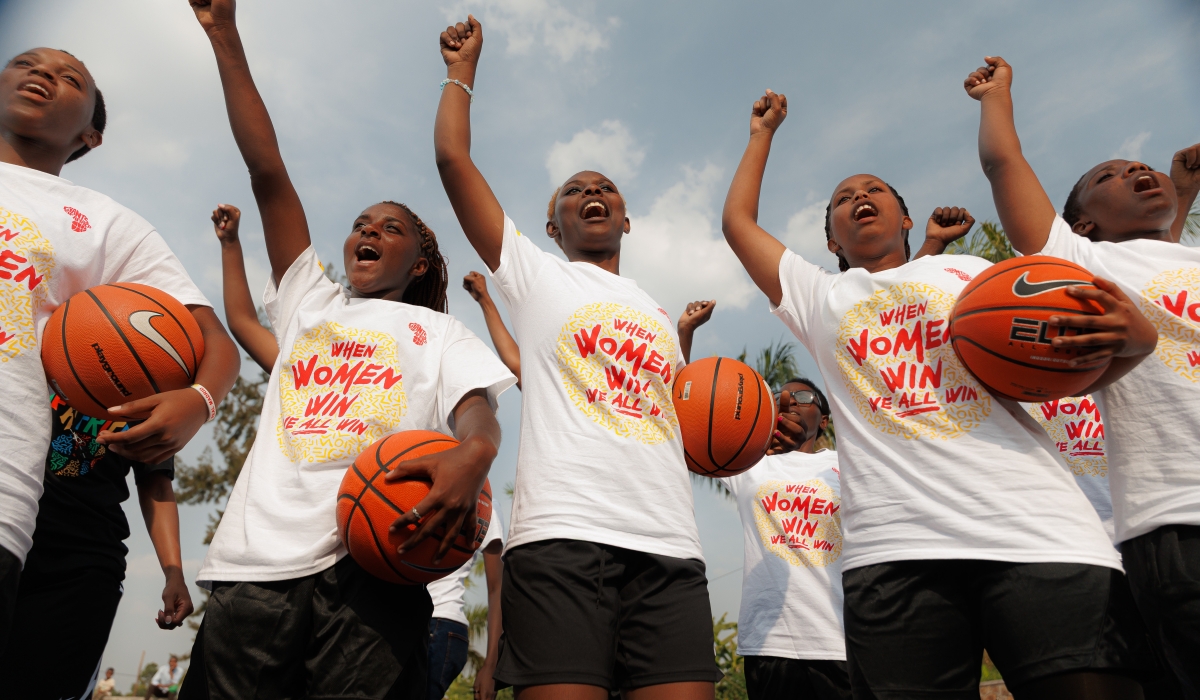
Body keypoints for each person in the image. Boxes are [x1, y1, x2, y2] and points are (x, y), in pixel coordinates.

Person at [721, 88, 1158, 698]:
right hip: (895, 549)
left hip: (1039, 526)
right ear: (831, 244)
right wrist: (761, 135)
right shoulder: (821, 299)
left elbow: (1072, 377)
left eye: (873, 191)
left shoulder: (979, 277)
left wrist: (1136, 343)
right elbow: (737, 224)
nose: (859, 199)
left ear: (905, 218)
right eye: (843, 199)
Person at [180, 2, 516, 698]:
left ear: (419, 262)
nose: (368, 231)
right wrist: (225, 35)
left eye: (390, 228)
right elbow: (267, 169)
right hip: (256, 567)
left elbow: (477, 413)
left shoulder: (440, 333)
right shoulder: (311, 301)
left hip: (379, 568)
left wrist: (475, 455)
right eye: (362, 224)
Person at [435, 16, 721, 698]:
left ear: (626, 218)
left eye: (606, 188)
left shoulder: (652, 311)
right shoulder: (536, 277)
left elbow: (680, 423)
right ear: (550, 224)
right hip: (562, 538)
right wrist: (462, 73)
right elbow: (454, 163)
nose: (591, 192)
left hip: (669, 543)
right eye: (573, 190)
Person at [966, 55, 1200, 697]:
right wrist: (998, 97)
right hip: (1181, 514)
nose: (1133, 170)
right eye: (1109, 175)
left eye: (1139, 167)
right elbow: (1004, 164)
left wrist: (1184, 191)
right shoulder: (1083, 263)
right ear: (1082, 223)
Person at [0, 47, 239, 654]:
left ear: (90, 135)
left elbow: (216, 345)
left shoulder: (100, 223)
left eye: (70, 77)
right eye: (26, 62)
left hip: (56, 524)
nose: (43, 74)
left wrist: (199, 397)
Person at [0, 388, 193, 699]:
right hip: (12, 529)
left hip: (85, 560)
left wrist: (174, 573)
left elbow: (155, 480)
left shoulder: (155, 376)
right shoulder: (38, 343)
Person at [724, 378, 850, 700]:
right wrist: (686, 333)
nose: (790, 400)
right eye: (784, 395)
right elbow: (690, 419)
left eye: (803, 396)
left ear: (823, 420)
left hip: (838, 641)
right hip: (770, 643)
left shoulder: (845, 465)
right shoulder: (749, 463)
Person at [427, 513, 506, 700]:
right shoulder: (413, 490)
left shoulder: (487, 504)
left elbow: (497, 589)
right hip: (409, 620)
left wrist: (491, 666)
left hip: (441, 620)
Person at [211, 203, 277, 373]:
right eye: (356, 225)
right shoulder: (311, 363)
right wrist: (229, 242)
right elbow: (243, 322)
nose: (358, 232)